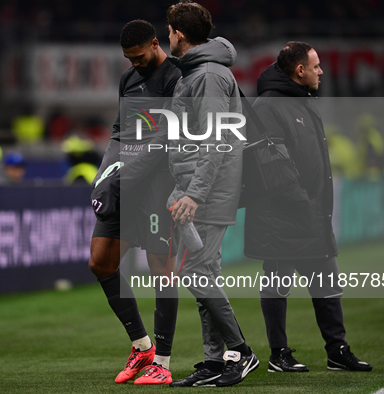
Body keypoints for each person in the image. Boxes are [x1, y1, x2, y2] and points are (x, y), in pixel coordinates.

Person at [244, 41, 373, 373]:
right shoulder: (269, 106)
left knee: (327, 284)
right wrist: (305, 204)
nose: (321, 72)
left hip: (310, 213)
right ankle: (279, 354)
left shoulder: (302, 101)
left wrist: (315, 208)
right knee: (277, 285)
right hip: (282, 217)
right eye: (315, 66)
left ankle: (337, 350)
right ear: (299, 70)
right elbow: (274, 168)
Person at [165, 1, 258, 387]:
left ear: (180, 35)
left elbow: (217, 138)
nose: (166, 36)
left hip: (207, 193)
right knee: (205, 274)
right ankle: (215, 360)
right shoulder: (198, 73)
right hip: (193, 189)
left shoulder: (206, 75)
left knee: (195, 271)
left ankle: (242, 351)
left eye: (168, 30)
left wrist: (196, 194)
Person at [88, 19, 181, 385]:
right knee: (100, 262)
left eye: (139, 57)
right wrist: (104, 176)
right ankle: (141, 346)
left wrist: (121, 176)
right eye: (129, 59)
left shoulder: (175, 78)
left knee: (161, 269)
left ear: (155, 44)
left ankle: (164, 360)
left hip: (158, 187)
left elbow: (166, 136)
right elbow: (119, 132)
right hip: (126, 183)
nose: (135, 64)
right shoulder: (129, 79)